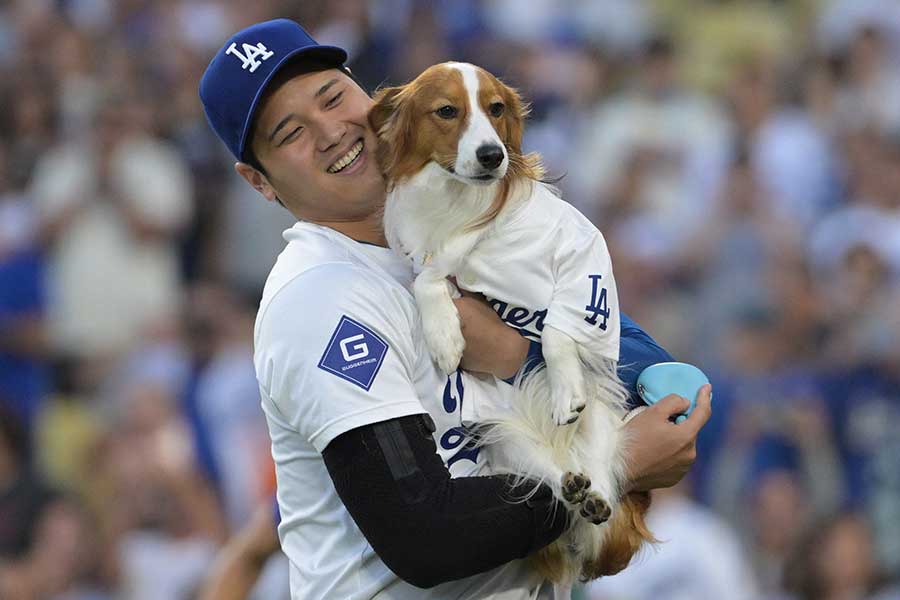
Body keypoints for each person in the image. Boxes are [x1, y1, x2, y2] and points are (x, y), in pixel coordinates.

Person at [199, 19, 711, 599]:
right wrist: (617, 465)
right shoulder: (319, 297)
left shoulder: (463, 208)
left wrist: (519, 355)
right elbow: (424, 532)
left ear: (373, 100)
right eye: (290, 132)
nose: (330, 132)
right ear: (259, 181)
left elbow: (639, 366)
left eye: (333, 97)